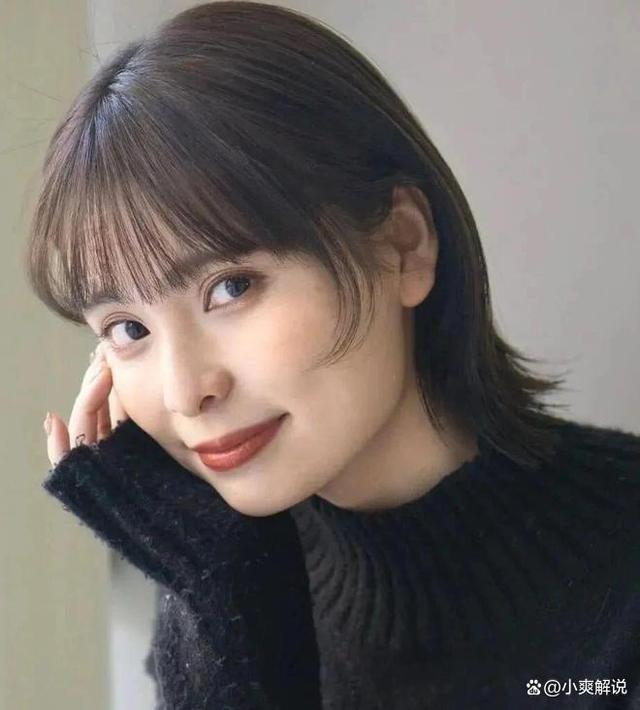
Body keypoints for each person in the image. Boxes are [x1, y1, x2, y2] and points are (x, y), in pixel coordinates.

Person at [28, 2, 640, 708]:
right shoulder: (227, 576)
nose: (185, 391)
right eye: (128, 329)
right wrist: (224, 601)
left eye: (231, 286)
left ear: (402, 246)